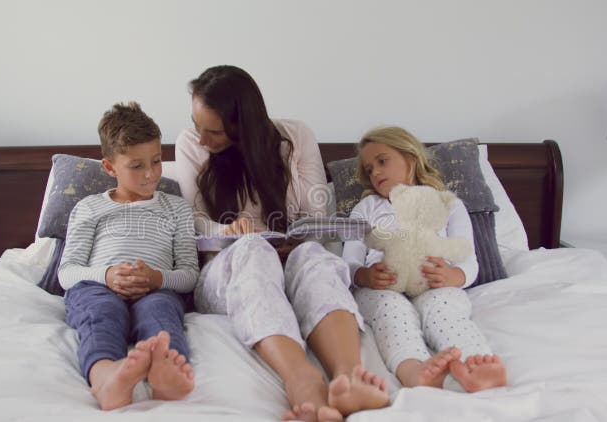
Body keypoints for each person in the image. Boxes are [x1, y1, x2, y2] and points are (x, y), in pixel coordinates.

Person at [174, 65, 389, 421]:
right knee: (253, 248)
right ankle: (303, 382)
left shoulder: (296, 136)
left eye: (213, 131)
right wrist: (228, 232)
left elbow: (316, 213)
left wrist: (268, 159)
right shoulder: (190, 147)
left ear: (243, 127)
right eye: (197, 125)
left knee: (313, 256)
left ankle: (349, 378)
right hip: (226, 270)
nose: (201, 139)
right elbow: (195, 222)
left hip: (290, 259)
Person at [343, 126, 508, 392]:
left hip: (434, 284)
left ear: (410, 157)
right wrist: (364, 275)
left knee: (446, 310)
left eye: (382, 161)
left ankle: (476, 362)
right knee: (391, 313)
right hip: (383, 287)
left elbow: (468, 257)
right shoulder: (366, 208)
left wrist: (454, 276)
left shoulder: (448, 204)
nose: (375, 172)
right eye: (370, 169)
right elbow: (349, 262)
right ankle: (414, 369)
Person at [59, 102, 199, 410]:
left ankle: (167, 372)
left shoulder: (176, 208)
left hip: (156, 289)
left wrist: (157, 278)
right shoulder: (89, 208)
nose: (151, 174)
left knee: (161, 312)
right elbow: (67, 273)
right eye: (136, 166)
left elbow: (190, 275)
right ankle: (105, 374)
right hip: (99, 287)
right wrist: (107, 275)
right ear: (109, 167)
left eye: (157, 161)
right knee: (102, 311)